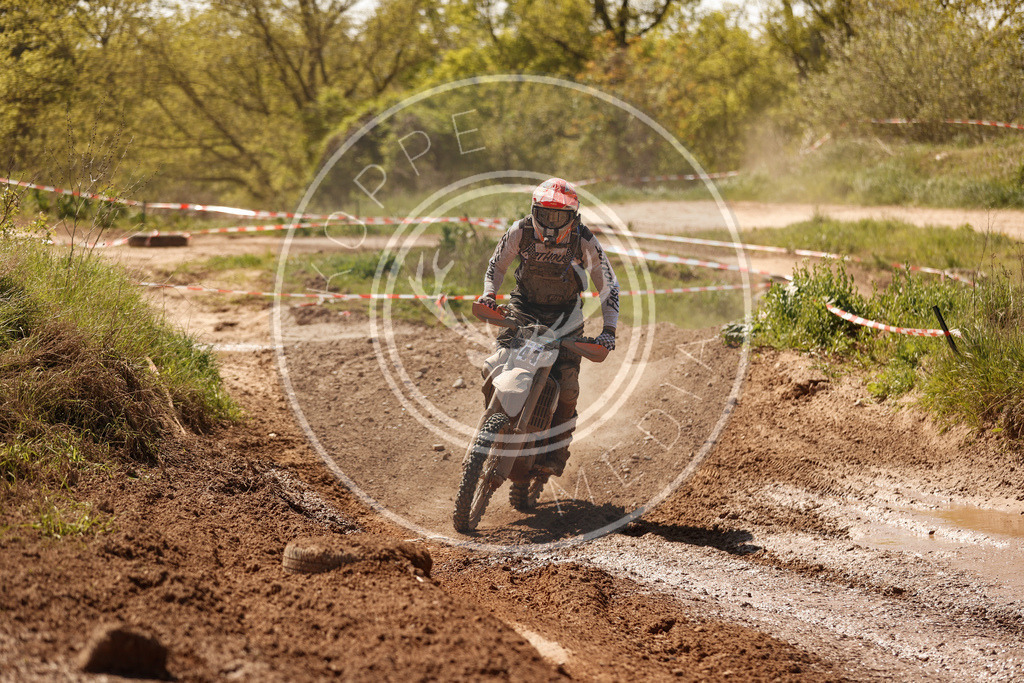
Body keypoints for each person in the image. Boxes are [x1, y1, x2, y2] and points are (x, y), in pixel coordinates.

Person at [476, 177, 619, 477]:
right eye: (545, 215)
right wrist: (489, 295)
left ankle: (556, 453)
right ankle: (495, 422)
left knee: (568, 388)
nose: (551, 224)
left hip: (566, 317)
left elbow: (608, 285)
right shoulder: (521, 231)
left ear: (573, 217)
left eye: (559, 217)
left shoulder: (583, 240)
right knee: (493, 365)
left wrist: (609, 331)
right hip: (524, 307)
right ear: (534, 211)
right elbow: (496, 266)